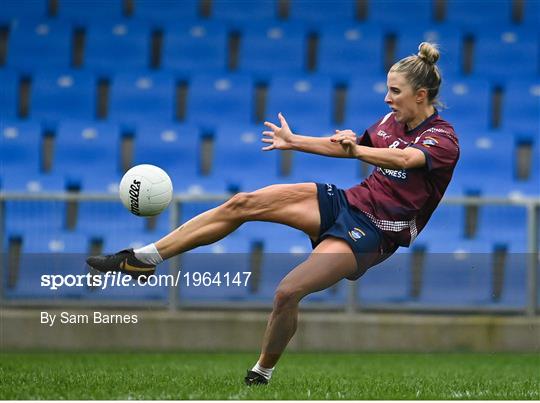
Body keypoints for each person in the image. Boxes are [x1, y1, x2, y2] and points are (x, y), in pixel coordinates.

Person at [87, 42, 459, 385]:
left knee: (286, 293)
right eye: (388, 89)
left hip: (376, 232)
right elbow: (350, 148)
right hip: (350, 202)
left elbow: (405, 158)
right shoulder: (388, 123)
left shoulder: (442, 138)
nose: (387, 97)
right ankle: (143, 259)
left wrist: (357, 151)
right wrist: (295, 141)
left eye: (395, 91)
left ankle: (261, 372)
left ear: (420, 95)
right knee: (243, 203)